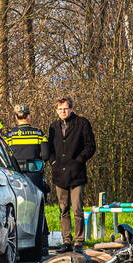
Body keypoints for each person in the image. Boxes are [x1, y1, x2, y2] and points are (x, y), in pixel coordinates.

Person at [46, 95, 96, 254]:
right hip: (59, 175)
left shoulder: (82, 123)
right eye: (60, 109)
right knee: (63, 209)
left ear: (71, 109)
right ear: (56, 110)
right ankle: (66, 240)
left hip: (76, 173)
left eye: (65, 109)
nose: (63, 111)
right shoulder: (53, 126)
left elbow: (90, 146)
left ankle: (78, 241)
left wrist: (79, 160)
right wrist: (52, 162)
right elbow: (49, 148)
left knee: (77, 210)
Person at [3, 105, 50, 252]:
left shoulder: (9, 135)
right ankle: (42, 243)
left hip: (14, 177)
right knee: (37, 209)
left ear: (16, 117)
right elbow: (46, 155)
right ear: (29, 116)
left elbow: (4, 156)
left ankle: (15, 239)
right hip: (34, 176)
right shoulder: (38, 134)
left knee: (15, 209)